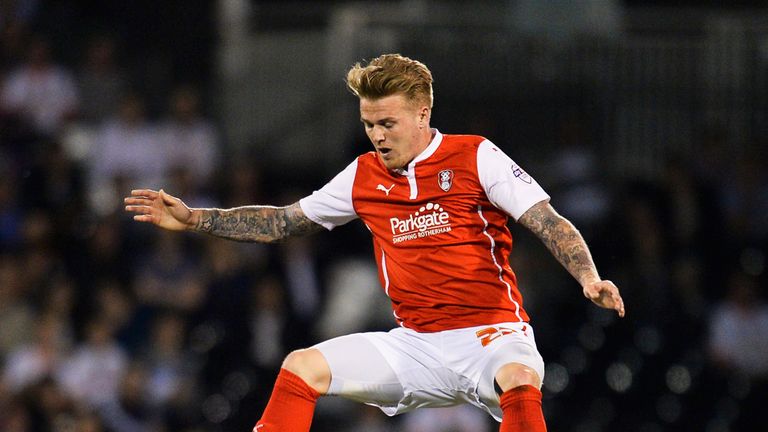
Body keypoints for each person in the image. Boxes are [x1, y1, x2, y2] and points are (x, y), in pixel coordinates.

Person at [124, 54, 625, 432]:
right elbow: (283, 222)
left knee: (519, 377)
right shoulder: (363, 175)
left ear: (423, 113)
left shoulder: (474, 156)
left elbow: (547, 220)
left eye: (388, 124)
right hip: (415, 346)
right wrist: (195, 219)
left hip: (491, 336)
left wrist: (588, 277)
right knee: (302, 366)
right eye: (369, 125)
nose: (377, 136)